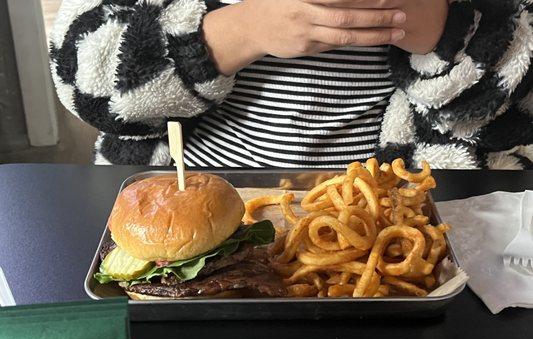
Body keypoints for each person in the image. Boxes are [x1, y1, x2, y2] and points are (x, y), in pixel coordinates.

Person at [49, 0, 532, 169]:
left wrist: (443, 28)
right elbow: (82, 77)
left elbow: (519, 109)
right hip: (190, 201)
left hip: (403, 221)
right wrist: (241, 30)